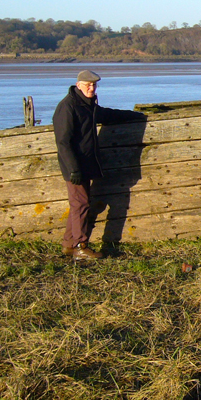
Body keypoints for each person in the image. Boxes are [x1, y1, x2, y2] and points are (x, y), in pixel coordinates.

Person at [53, 69, 141, 261]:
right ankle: (80, 246)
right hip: (75, 167)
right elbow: (63, 142)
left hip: (85, 164)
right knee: (81, 204)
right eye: (87, 85)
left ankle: (69, 244)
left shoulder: (88, 105)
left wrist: (133, 115)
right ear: (78, 86)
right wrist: (73, 168)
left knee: (79, 204)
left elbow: (105, 115)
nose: (91, 88)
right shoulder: (68, 107)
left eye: (94, 85)